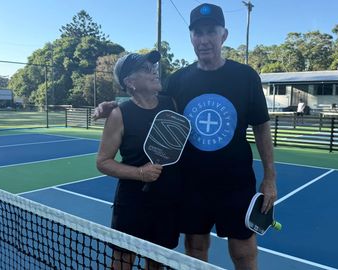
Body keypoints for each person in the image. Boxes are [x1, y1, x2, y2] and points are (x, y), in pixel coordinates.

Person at [94, 3, 277, 270]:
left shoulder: (245, 76)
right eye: (197, 33)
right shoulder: (179, 80)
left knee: (243, 251)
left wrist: (270, 178)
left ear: (223, 35)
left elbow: (261, 127)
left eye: (210, 32)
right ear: (191, 37)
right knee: (195, 247)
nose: (204, 40)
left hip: (236, 182)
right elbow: (146, 99)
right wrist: (114, 104)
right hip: (191, 183)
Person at [96, 50, 181, 270]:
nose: (154, 71)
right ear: (130, 82)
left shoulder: (172, 103)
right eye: (145, 69)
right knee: (123, 262)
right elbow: (103, 161)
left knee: (157, 263)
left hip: (166, 202)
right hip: (132, 204)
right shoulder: (119, 114)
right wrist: (139, 173)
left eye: (153, 67)